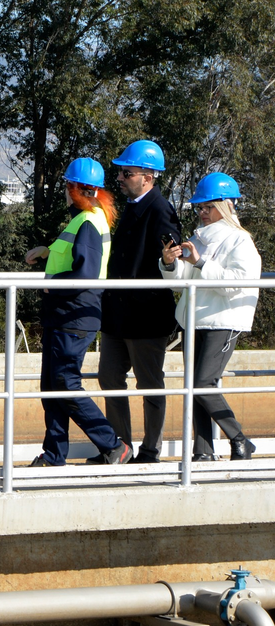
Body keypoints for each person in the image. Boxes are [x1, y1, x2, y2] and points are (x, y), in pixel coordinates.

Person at [25, 158, 132, 467]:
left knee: (64, 384)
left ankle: (113, 445)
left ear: (73, 189)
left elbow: (85, 274)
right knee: (53, 386)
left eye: (66, 187)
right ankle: (53, 455)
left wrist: (51, 287)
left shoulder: (87, 221)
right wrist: (47, 251)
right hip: (65, 316)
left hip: (74, 317)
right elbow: (75, 256)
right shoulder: (87, 219)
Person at [160, 172, 260, 462]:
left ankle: (239, 439)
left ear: (227, 206)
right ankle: (202, 451)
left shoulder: (240, 240)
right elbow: (181, 281)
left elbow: (237, 283)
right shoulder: (198, 238)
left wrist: (200, 261)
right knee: (194, 387)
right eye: (199, 207)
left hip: (223, 321)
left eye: (208, 207)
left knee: (203, 384)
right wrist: (169, 263)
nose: (202, 212)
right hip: (194, 319)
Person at [95, 140, 181, 464]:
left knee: (150, 385)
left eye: (126, 173)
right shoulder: (131, 207)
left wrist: (169, 259)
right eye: (120, 172)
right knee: (109, 377)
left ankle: (150, 450)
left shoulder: (160, 209)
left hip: (146, 317)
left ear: (147, 177)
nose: (119, 178)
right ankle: (120, 447)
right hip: (117, 316)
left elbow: (171, 255)